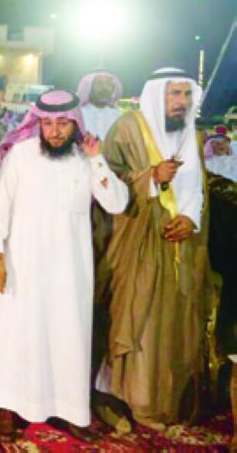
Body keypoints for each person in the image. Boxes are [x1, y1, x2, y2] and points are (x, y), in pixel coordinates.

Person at [0, 90, 127, 443]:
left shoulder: (85, 159)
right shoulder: (21, 155)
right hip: (23, 266)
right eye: (47, 124)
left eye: (63, 123)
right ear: (38, 123)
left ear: (75, 123)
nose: (55, 131)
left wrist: (97, 160)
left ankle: (71, 410)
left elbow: (116, 203)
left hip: (70, 271)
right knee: (18, 336)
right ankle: (10, 407)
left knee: (68, 338)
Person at [94, 67, 211, 430]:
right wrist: (150, 179)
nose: (181, 102)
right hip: (135, 244)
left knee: (173, 325)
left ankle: (164, 402)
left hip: (181, 248)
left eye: (186, 95)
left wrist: (191, 218)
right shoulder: (127, 129)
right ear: (158, 94)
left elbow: (199, 188)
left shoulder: (192, 135)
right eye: (174, 94)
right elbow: (104, 184)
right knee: (135, 321)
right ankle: (120, 397)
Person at [76, 70, 124, 140]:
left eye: (109, 84)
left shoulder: (118, 116)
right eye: (99, 83)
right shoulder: (77, 116)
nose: (105, 88)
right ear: (88, 87)